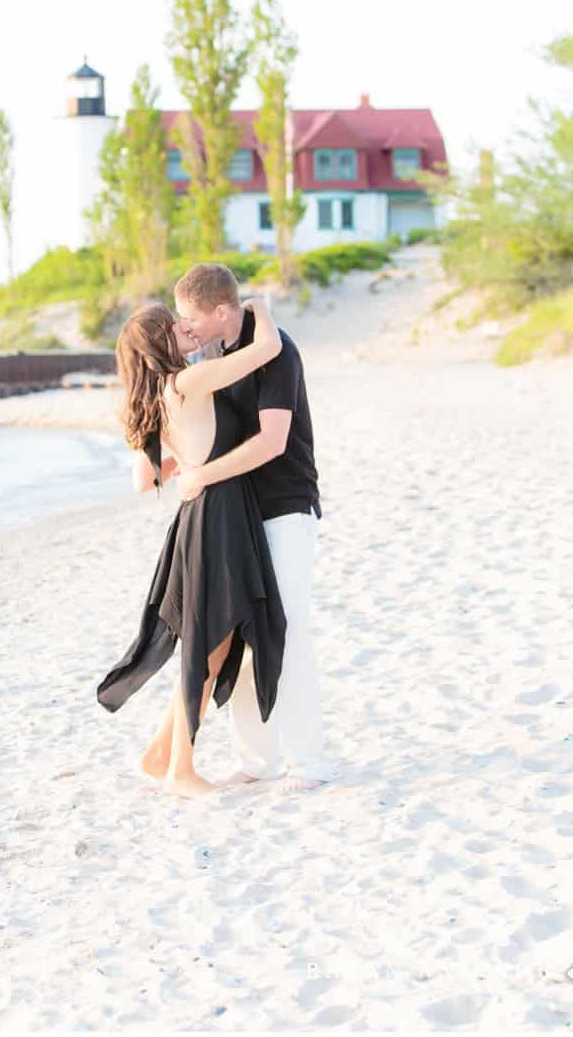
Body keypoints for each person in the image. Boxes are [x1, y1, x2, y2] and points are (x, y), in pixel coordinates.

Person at [96, 298, 288, 800]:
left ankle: (161, 756)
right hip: (217, 513)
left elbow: (145, 478)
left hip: (203, 512)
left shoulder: (162, 394)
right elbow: (267, 348)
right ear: (161, 341)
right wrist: (259, 306)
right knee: (209, 646)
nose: (185, 326)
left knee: (213, 642)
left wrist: (189, 458)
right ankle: (181, 770)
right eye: (173, 324)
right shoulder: (186, 381)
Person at [173, 263, 338, 793]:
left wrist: (202, 476)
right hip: (238, 514)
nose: (188, 328)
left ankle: (309, 763)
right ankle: (256, 760)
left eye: (191, 317)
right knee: (242, 635)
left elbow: (271, 442)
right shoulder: (217, 354)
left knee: (285, 634)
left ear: (221, 311)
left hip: (286, 505)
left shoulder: (277, 349)